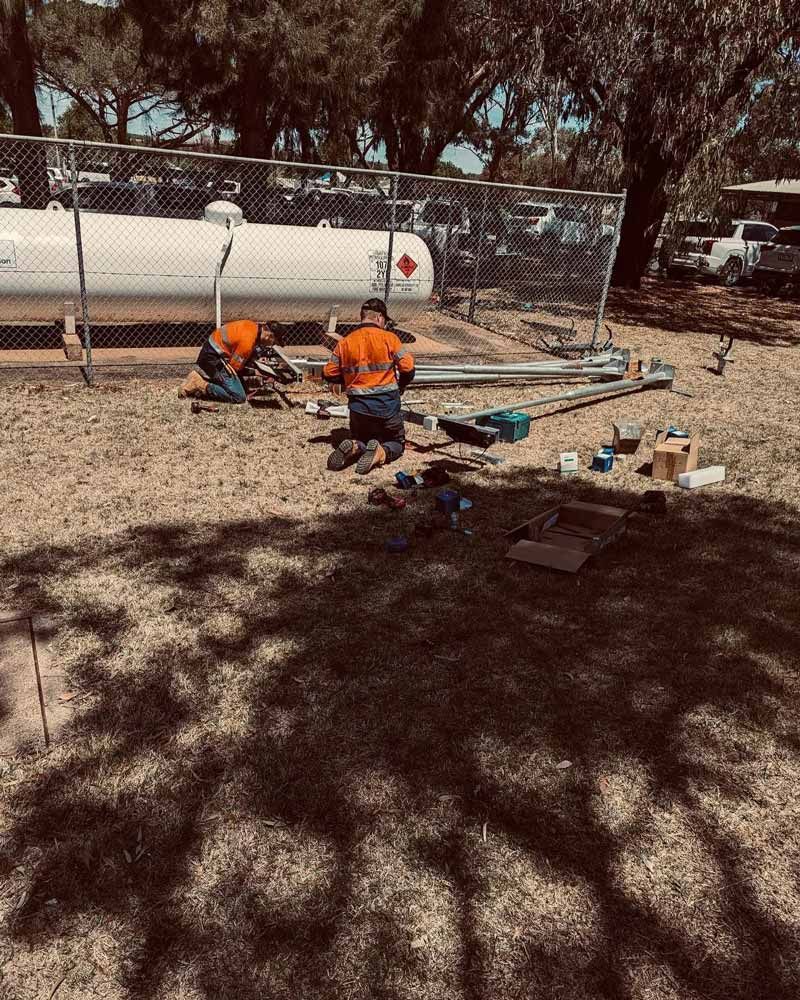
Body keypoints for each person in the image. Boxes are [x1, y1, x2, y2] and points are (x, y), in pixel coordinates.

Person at [323, 298, 415, 474]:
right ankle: (381, 452)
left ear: (362, 317)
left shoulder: (345, 342)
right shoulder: (390, 339)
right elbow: (408, 369)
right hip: (387, 407)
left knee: (363, 437)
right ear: (380, 318)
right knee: (396, 443)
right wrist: (400, 387)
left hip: (359, 409)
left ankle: (355, 446)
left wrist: (348, 381)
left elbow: (328, 373)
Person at [179, 319, 279, 404]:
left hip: (212, 352)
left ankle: (200, 381)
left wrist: (254, 362)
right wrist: (257, 372)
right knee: (239, 396)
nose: (271, 345)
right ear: (269, 335)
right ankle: (199, 384)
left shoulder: (253, 326)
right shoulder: (247, 342)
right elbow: (235, 369)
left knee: (242, 388)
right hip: (211, 359)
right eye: (273, 342)